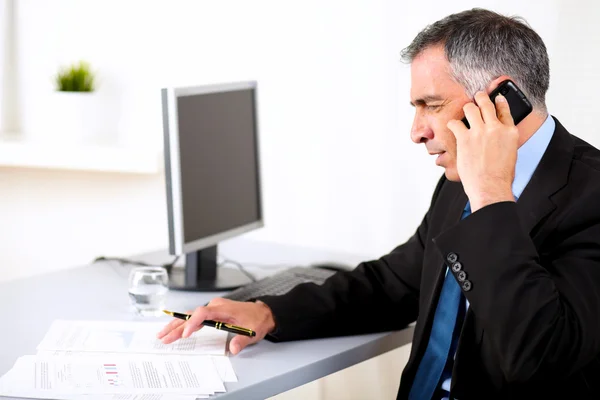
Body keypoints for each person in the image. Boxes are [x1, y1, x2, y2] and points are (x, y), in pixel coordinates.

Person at [157, 8, 600, 400]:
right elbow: (393, 284)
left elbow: (539, 356)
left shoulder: (587, 196)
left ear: (500, 103)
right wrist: (270, 312)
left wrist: (490, 198)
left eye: (431, 105)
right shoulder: (458, 178)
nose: (417, 131)